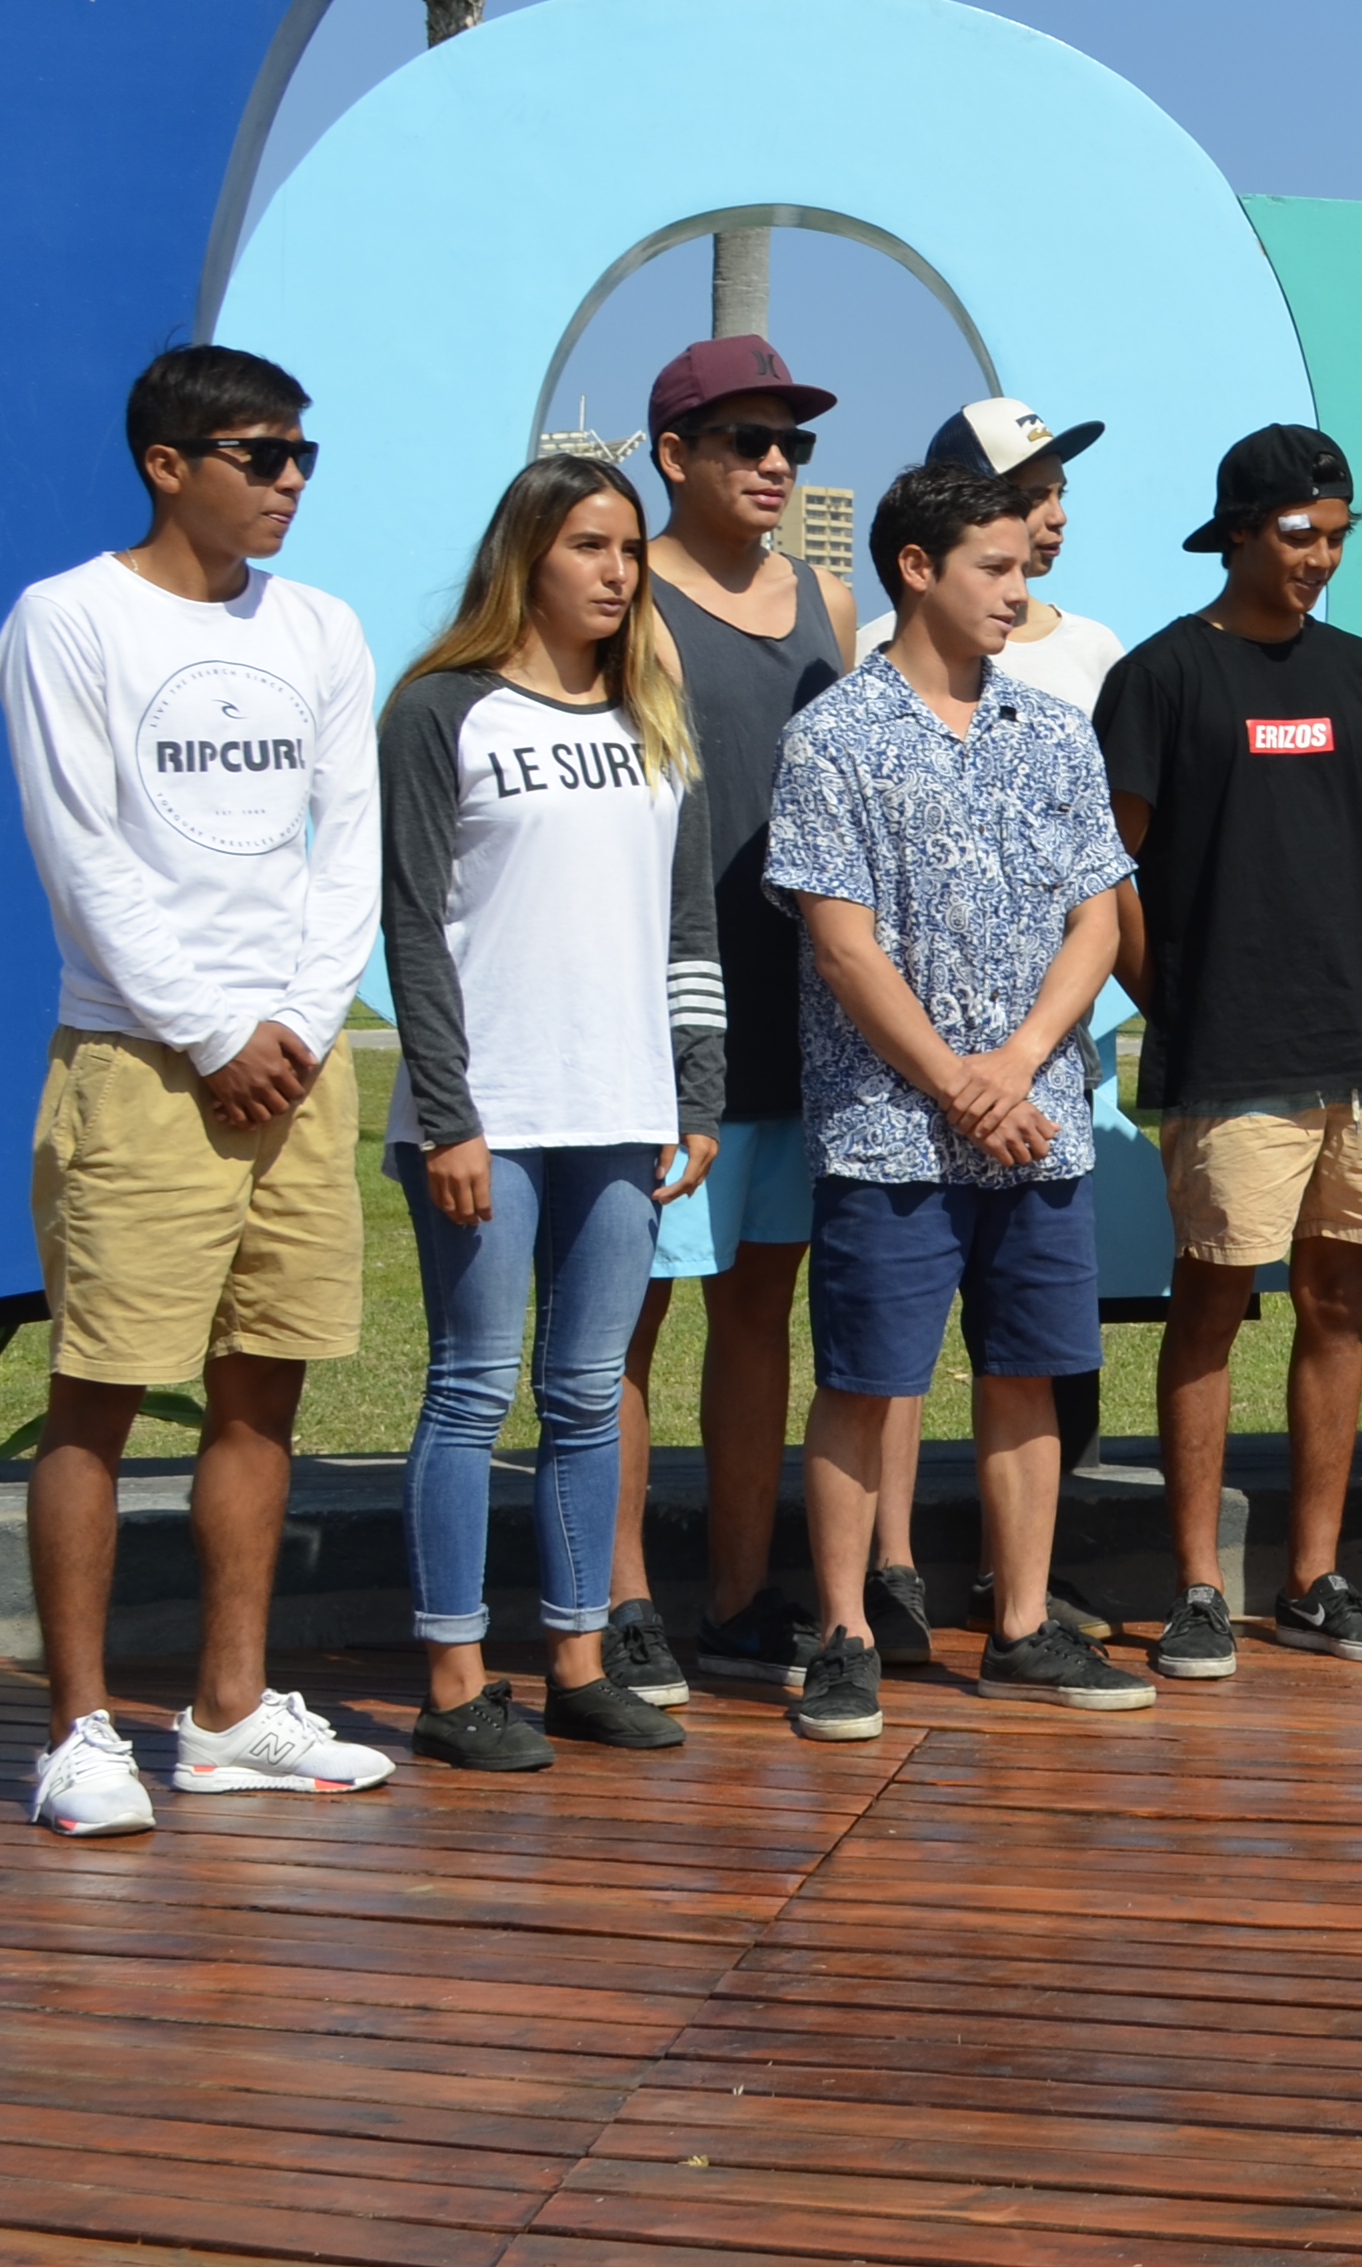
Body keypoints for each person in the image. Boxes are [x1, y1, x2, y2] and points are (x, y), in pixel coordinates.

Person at [0, 346, 390, 1837]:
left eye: (302, 456)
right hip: (145, 1065)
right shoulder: (69, 619)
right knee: (95, 1394)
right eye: (258, 454)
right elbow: (83, 852)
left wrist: (291, 1019)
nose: (288, 480)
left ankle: (227, 1713)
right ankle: (81, 1728)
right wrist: (214, 1029)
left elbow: (339, 844)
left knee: (264, 1387)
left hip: (294, 1066)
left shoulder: (323, 628)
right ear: (168, 464)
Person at [759, 466, 1156, 1739]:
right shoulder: (834, 736)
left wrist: (1021, 1060)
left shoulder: (1054, 730)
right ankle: (843, 1634)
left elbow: (1098, 915)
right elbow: (841, 942)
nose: (1019, 588)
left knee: (1028, 1372)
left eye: (1022, 566)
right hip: (887, 1128)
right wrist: (955, 1082)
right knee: (865, 1382)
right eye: (994, 565)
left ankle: (1026, 1626)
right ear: (916, 569)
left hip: (1036, 1121)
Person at [374, 455, 725, 1768]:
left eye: (630, 548)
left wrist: (695, 1089)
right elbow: (411, 927)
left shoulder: (654, 717)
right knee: (470, 1389)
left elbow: (687, 927)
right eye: (591, 545)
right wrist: (450, 1116)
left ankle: (578, 1660)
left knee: (586, 1391)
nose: (618, 570)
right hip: (486, 1117)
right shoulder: (441, 711)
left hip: (620, 1111)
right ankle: (456, 1678)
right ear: (528, 555)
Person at [1095, 425, 1362, 1677]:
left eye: (1338, 538)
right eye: (1300, 536)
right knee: (1213, 1309)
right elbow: (1109, 863)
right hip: (1226, 1054)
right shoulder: (1163, 676)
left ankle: (1313, 1580)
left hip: (1361, 1046)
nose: (1320, 560)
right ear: (1238, 530)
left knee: (1339, 1306)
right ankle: (1195, 1588)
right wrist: (1166, 998)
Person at [631, 333, 869, 1701]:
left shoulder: (831, 602)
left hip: (804, 1025)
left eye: (794, 443)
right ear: (677, 456)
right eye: (746, 440)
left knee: (758, 1316)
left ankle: (732, 1595)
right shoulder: (629, 600)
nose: (776, 463)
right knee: (627, 1321)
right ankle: (614, 1602)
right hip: (664, 1028)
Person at [856, 398, 1122, 708]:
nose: (1058, 517)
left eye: (1059, 494)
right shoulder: (875, 649)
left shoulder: (1095, 648)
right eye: (1035, 498)